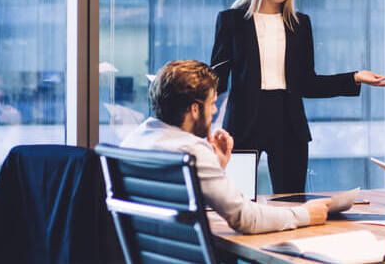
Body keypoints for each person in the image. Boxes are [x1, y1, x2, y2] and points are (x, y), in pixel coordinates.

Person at [210, 0, 385, 194]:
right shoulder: (231, 21)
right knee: (238, 201)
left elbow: (308, 83)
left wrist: (355, 77)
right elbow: (218, 79)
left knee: (291, 203)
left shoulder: (300, 24)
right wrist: (182, 85)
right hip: (243, 125)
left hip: (288, 123)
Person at [119, 60, 332, 234]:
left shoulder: (132, 141)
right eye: (212, 103)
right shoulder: (191, 151)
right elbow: (246, 219)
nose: (214, 112)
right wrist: (304, 214)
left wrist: (218, 166)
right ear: (194, 109)